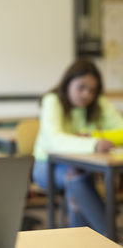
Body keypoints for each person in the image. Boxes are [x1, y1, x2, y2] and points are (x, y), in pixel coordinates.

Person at [32, 59, 123, 233]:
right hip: (45, 167)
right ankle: (109, 236)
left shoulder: (97, 104)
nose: (86, 94)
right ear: (68, 83)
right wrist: (94, 143)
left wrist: (94, 135)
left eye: (92, 90)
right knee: (75, 176)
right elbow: (54, 140)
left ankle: (85, 240)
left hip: (81, 167)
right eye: (81, 87)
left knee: (76, 181)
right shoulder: (52, 100)